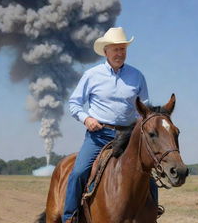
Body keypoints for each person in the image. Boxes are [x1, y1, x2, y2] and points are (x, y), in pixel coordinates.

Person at [62, 27, 160, 223]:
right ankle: (70, 217)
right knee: (79, 172)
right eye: (115, 49)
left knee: (149, 178)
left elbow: (146, 108)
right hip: (98, 136)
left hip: (129, 137)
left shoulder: (137, 76)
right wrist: (87, 119)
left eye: (123, 49)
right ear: (105, 51)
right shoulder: (92, 75)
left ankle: (152, 213)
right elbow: (74, 103)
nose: (119, 53)